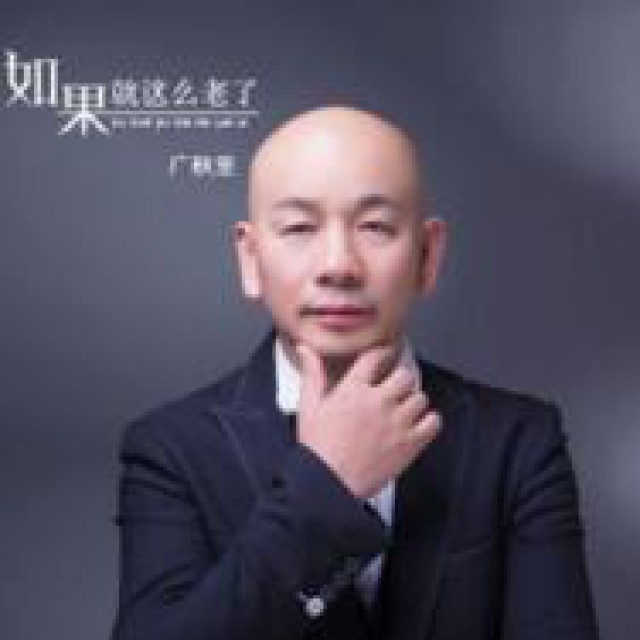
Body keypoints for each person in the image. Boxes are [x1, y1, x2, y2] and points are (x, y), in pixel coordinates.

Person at [110, 106, 599, 640]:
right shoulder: (171, 449)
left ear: (428, 255)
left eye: (375, 227)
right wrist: (326, 484)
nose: (338, 266)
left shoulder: (518, 441)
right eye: (299, 228)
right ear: (250, 259)